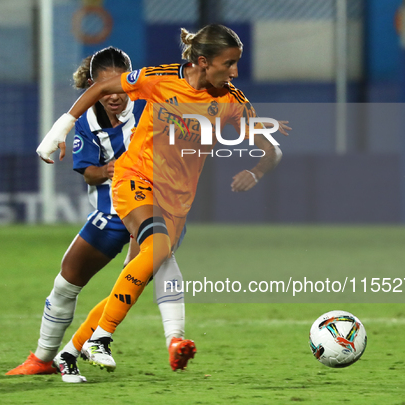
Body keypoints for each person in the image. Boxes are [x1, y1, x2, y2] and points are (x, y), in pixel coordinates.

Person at [36, 24, 290, 372]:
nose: (234, 71)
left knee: (135, 276)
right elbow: (103, 86)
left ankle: (70, 352)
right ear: (203, 61)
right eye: (229, 63)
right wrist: (60, 129)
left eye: (236, 63)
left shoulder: (231, 102)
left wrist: (256, 171)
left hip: (176, 202)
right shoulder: (161, 78)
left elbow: (271, 151)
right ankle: (101, 338)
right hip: (135, 178)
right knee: (155, 250)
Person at [7, 47, 194, 383]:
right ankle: (43, 357)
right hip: (109, 214)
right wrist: (109, 168)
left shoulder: (148, 106)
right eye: (104, 87)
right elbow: (87, 172)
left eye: (119, 86)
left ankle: (168, 339)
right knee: (65, 282)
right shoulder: (88, 121)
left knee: (141, 274)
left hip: (149, 208)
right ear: (94, 85)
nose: (114, 96)